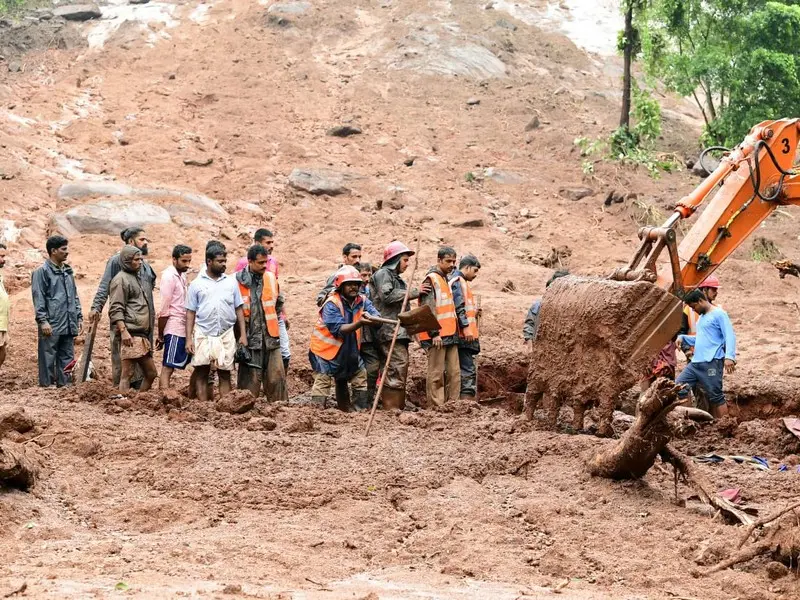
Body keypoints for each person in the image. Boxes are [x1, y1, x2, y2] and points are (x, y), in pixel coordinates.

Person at [88, 227, 156, 386]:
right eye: (142, 239)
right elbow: (105, 286)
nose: (145, 242)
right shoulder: (116, 261)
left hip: (144, 325)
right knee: (123, 362)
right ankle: (120, 395)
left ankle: (137, 396)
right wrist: (96, 307)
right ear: (131, 241)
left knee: (144, 362)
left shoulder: (145, 266)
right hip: (125, 323)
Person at [309, 265, 380, 411]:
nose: (353, 287)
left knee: (360, 376)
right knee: (323, 381)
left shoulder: (362, 300)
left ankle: (358, 412)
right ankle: (317, 413)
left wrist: (375, 319)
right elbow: (338, 330)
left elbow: (376, 316)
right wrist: (360, 322)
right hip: (326, 351)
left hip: (348, 348)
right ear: (340, 286)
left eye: (356, 284)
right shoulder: (332, 303)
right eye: (349, 284)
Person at [370, 241, 430, 409]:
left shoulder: (396, 279)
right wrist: (414, 292)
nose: (407, 264)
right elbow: (387, 296)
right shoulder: (383, 274)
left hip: (397, 330)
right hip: (389, 330)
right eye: (404, 260)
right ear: (395, 259)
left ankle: (395, 406)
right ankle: (393, 409)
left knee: (397, 367)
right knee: (396, 366)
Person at [185, 244, 248, 403]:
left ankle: (225, 406)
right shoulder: (196, 284)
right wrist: (188, 339)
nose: (224, 264)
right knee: (202, 372)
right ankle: (203, 406)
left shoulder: (231, 282)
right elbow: (190, 312)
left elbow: (239, 308)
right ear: (209, 261)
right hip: (203, 332)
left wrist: (243, 335)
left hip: (225, 333)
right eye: (220, 261)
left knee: (225, 372)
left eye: (225, 260)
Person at [236, 244, 288, 402]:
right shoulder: (237, 281)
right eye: (260, 263)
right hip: (250, 340)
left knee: (276, 379)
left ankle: (281, 412)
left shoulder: (271, 278)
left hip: (271, 338)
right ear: (250, 262)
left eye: (266, 262)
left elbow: (278, 303)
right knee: (249, 384)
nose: (264, 265)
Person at [235, 229, 291, 371]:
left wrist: (283, 315)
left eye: (272, 242)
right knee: (251, 361)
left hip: (271, 321)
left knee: (283, 354)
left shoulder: (273, 264)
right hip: (251, 322)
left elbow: (276, 293)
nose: (264, 266)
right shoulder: (242, 266)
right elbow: (239, 294)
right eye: (268, 242)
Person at [676, 289, 737, 418]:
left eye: (693, 307)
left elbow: (729, 335)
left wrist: (729, 356)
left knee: (715, 395)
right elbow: (702, 339)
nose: (693, 310)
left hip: (712, 361)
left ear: (700, 301)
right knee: (679, 387)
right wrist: (683, 337)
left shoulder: (719, 314)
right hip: (696, 362)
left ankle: (725, 425)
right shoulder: (702, 318)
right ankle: (688, 421)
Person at [31, 236, 83, 387]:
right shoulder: (42, 272)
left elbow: (74, 296)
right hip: (52, 323)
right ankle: (47, 387)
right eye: (63, 249)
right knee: (48, 356)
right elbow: (38, 297)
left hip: (68, 321)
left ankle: (64, 386)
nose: (67, 252)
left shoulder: (67, 272)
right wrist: (43, 321)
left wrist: (78, 316)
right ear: (53, 251)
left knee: (67, 355)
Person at [109, 246, 157, 393]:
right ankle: (123, 400)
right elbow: (116, 308)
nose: (140, 263)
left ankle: (137, 399)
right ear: (126, 261)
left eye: (141, 259)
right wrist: (123, 331)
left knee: (150, 373)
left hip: (140, 335)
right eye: (137, 260)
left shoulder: (137, 278)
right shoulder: (120, 280)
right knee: (127, 374)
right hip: (131, 334)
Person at [419, 247, 460, 407]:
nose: (452, 265)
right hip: (437, 336)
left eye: (454, 262)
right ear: (439, 260)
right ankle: (436, 407)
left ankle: (454, 406)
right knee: (436, 374)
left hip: (451, 335)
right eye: (448, 261)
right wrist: (434, 333)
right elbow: (427, 308)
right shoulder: (431, 280)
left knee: (454, 373)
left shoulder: (445, 280)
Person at [158, 244, 194, 390]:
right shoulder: (169, 277)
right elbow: (164, 310)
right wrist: (160, 335)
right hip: (173, 325)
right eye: (184, 261)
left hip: (182, 325)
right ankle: (164, 394)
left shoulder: (182, 275)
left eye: (189, 261)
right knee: (168, 366)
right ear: (174, 259)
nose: (187, 265)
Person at [451, 254, 481, 400]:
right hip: (462, 335)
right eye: (474, 271)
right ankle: (466, 402)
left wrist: (473, 314)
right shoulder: (458, 281)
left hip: (462, 333)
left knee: (465, 367)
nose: (475, 275)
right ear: (467, 267)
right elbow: (458, 307)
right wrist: (466, 327)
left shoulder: (461, 282)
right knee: (467, 368)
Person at [523, 270, 570, 346]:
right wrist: (530, 344)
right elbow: (529, 325)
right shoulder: (539, 305)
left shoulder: (572, 306)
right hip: (541, 347)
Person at [356, 261, 380, 401]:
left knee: (372, 368)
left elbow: (375, 312)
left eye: (369, 275)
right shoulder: (346, 291)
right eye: (363, 275)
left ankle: (367, 401)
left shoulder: (370, 291)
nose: (366, 279)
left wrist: (374, 318)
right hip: (351, 337)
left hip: (368, 337)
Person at [315, 243, 362, 307]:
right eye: (354, 257)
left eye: (359, 257)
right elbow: (320, 300)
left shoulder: (362, 274)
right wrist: (329, 296)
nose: (357, 260)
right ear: (345, 257)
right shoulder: (338, 276)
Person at [0, 243, 8, 372]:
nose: (3, 260)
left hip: (2, 324)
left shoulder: (0, 277)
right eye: (0, 256)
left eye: (3, 256)